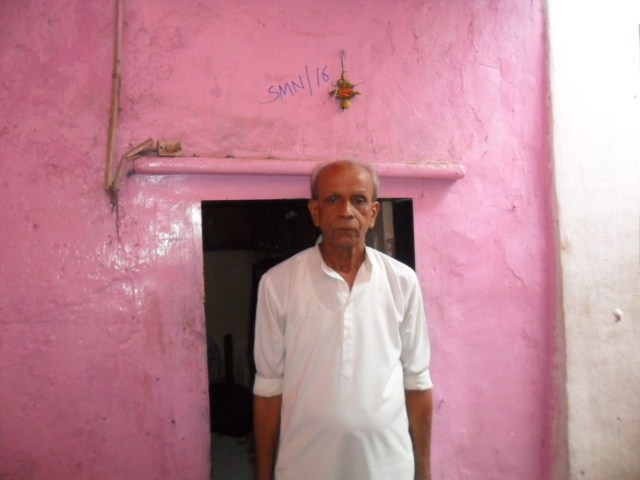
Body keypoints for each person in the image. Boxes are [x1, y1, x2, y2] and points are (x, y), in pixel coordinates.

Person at [253, 160, 433, 480]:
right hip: (304, 467)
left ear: (373, 214)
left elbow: (417, 381)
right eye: (334, 199)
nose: (347, 211)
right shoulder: (277, 284)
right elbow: (268, 388)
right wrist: (263, 476)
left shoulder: (402, 282)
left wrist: (424, 472)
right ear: (315, 212)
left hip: (389, 467)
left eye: (359, 200)